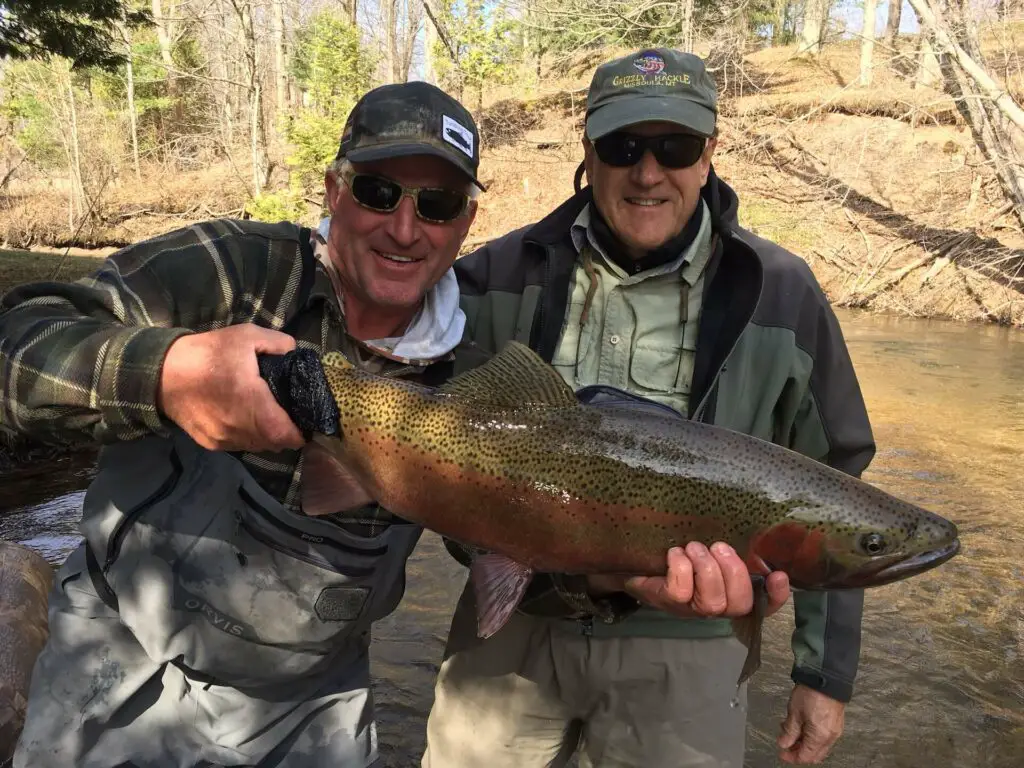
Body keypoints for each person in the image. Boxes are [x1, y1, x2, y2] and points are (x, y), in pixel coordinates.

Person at [0, 79, 787, 767]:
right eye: (379, 192)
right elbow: (18, 348)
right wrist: (170, 376)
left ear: (468, 219)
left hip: (314, 705)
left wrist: (621, 572)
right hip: (120, 669)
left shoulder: (475, 371)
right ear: (333, 188)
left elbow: (500, 542)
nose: (405, 227)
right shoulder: (233, 269)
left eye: (437, 204)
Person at [423, 47, 876, 768]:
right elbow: (433, 446)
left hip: (690, 647)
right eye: (623, 145)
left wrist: (822, 675)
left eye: (675, 146)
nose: (648, 171)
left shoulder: (784, 293)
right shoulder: (494, 277)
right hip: (512, 628)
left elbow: (839, 490)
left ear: (709, 156)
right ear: (589, 152)